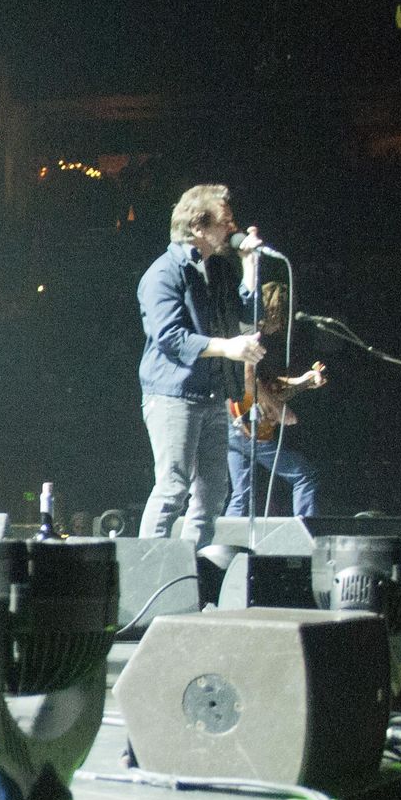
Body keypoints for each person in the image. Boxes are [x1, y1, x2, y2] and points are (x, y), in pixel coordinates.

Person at [137, 183, 263, 546]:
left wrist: (250, 268)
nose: (233, 229)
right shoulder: (163, 273)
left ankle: (192, 578)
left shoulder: (220, 270)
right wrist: (228, 348)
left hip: (211, 395)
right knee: (173, 488)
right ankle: (150, 573)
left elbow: (249, 321)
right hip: (174, 394)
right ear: (197, 226)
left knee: (212, 494)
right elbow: (171, 338)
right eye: (226, 221)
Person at [226, 279, 327, 517]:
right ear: (276, 311)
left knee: (242, 494)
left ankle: (222, 551)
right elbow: (248, 377)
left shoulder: (248, 331)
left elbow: (268, 383)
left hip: (231, 423)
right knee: (304, 475)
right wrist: (279, 409)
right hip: (245, 422)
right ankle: (305, 543)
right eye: (284, 316)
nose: (285, 324)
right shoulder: (253, 334)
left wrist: (304, 381)